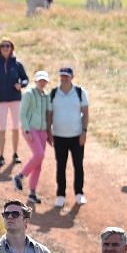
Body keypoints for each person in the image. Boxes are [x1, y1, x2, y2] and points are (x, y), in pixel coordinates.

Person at [47, 65, 89, 209]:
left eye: (66, 76)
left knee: (78, 165)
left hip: (77, 136)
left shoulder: (80, 92)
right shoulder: (53, 93)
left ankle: (79, 193)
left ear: (72, 77)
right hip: (59, 136)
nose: (64, 78)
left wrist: (84, 132)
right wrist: (48, 132)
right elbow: (49, 114)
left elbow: (85, 112)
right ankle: (60, 195)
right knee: (61, 166)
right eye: (62, 76)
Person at [0, 38, 28, 174]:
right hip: (1, 100)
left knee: (15, 127)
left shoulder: (17, 64)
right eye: (3, 46)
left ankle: (15, 154)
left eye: (8, 46)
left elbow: (25, 78)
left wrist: (21, 85)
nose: (5, 48)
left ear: (11, 48)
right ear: (0, 48)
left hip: (15, 99)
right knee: (2, 128)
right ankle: (1, 155)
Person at [14, 69, 50, 205]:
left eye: (44, 80)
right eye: (40, 80)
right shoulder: (28, 93)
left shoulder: (46, 96)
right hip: (31, 129)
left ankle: (32, 193)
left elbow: (48, 114)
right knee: (39, 155)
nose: (42, 82)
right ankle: (20, 176)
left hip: (42, 131)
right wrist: (27, 130)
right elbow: (22, 113)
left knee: (38, 164)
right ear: (36, 81)